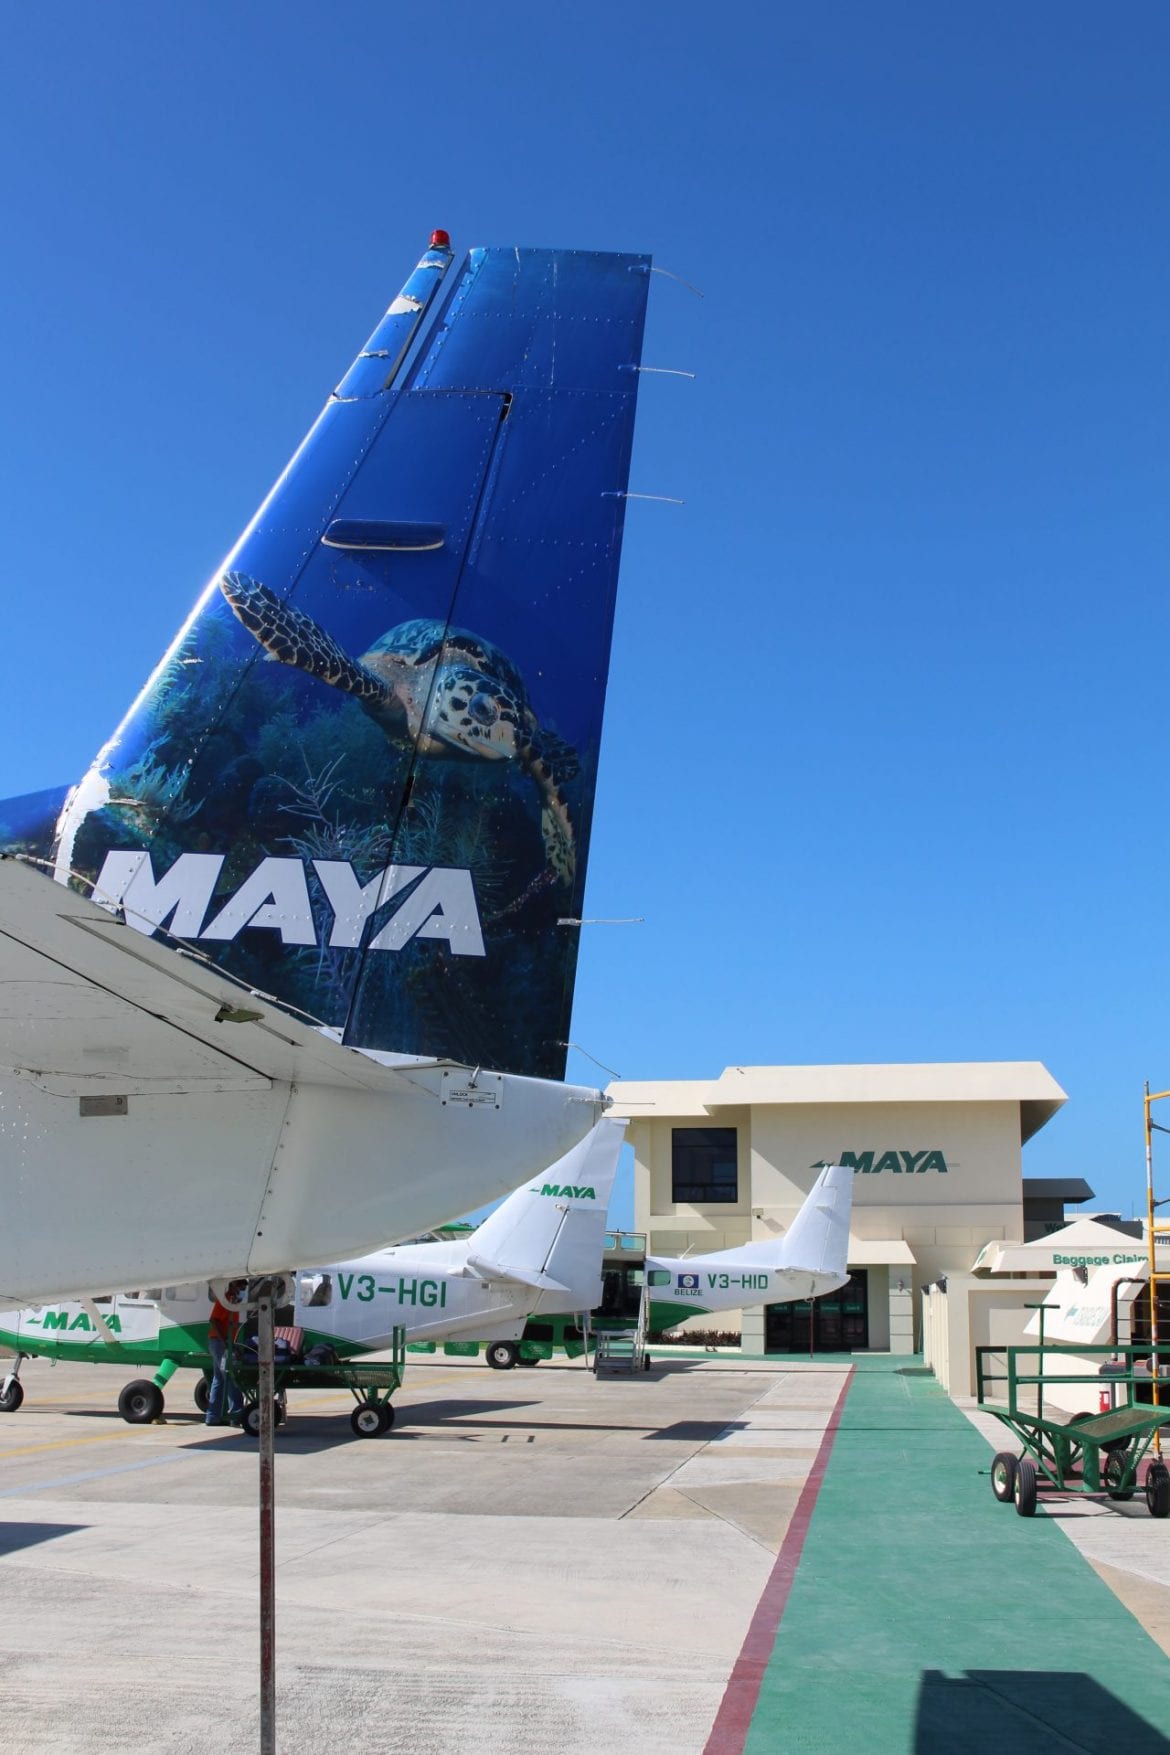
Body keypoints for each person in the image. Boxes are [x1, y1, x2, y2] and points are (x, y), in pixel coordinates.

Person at [205, 1280, 246, 1427]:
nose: (243, 1290)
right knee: (230, 1376)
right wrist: (226, 1342)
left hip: (220, 1342)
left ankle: (212, 1416)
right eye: (241, 1286)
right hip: (219, 1343)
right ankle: (236, 1413)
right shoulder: (226, 1301)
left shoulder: (233, 1303)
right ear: (234, 1286)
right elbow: (213, 1320)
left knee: (219, 1378)